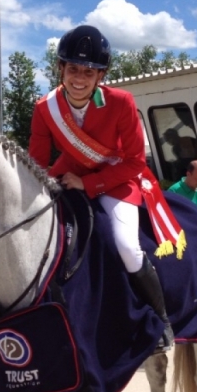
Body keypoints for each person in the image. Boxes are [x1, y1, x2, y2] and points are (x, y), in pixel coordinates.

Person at [29, 24, 176, 349]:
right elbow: (37, 161)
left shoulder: (121, 102)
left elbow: (136, 162)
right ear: (61, 69)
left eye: (88, 72)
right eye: (73, 69)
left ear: (101, 76)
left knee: (126, 245)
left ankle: (160, 320)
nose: (79, 78)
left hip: (116, 179)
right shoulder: (44, 108)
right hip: (67, 175)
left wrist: (88, 183)